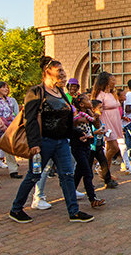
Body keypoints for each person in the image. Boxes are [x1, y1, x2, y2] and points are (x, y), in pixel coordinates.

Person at [9, 56, 95, 224]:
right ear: (47, 72)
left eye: (63, 70)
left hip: (61, 142)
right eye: (59, 71)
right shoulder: (36, 92)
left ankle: (74, 211)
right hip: (44, 142)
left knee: (67, 175)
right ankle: (16, 209)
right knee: (34, 175)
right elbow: (30, 120)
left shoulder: (60, 92)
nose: (63, 74)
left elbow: (66, 119)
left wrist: (77, 133)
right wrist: (34, 144)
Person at [91, 71, 131, 196]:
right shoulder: (100, 95)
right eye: (112, 80)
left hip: (115, 121)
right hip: (106, 122)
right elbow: (97, 109)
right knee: (114, 147)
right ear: (106, 81)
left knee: (111, 148)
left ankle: (106, 172)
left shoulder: (112, 94)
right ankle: (102, 168)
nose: (114, 81)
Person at [70, 93, 107, 208]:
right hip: (78, 145)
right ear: (81, 104)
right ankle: (92, 198)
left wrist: (94, 114)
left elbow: (96, 125)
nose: (90, 101)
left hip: (87, 145)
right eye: (87, 100)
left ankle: (70, 192)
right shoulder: (77, 114)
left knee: (79, 171)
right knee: (87, 172)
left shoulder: (88, 113)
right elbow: (72, 125)